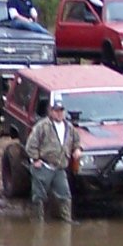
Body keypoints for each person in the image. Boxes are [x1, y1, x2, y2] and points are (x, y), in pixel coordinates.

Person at [24, 94, 80, 222]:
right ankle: (38, 222)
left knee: (65, 195)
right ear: (51, 111)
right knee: (39, 196)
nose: (59, 113)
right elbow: (31, 145)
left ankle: (67, 220)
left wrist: (77, 149)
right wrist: (35, 159)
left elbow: (76, 141)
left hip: (60, 168)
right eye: (56, 110)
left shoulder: (69, 127)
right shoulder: (42, 126)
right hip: (43, 166)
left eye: (61, 110)